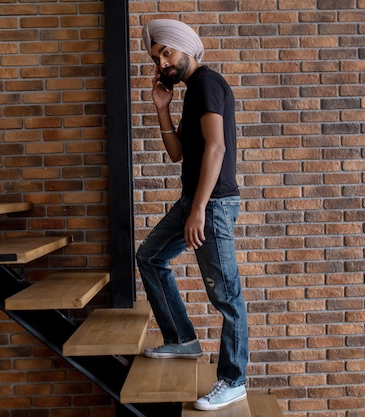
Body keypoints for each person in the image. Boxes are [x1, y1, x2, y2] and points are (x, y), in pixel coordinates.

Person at [136, 18, 249, 411]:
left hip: (212, 203)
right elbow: (178, 153)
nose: (162, 62)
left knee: (226, 296)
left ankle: (234, 380)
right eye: (156, 57)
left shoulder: (206, 83)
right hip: (195, 199)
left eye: (167, 52)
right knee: (149, 257)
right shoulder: (190, 91)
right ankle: (182, 338)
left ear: (187, 48)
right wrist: (162, 108)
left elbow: (216, 149)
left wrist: (199, 209)